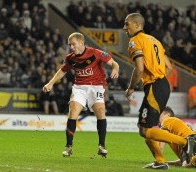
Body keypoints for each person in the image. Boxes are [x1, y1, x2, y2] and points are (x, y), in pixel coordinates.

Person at [123, 13, 194, 169]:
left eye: (127, 24)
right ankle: (160, 161)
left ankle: (185, 141)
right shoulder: (155, 41)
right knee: (144, 128)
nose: (124, 27)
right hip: (162, 85)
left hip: (155, 86)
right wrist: (159, 79)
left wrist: (131, 87)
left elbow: (139, 69)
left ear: (137, 25)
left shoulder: (135, 41)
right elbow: (169, 67)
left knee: (145, 130)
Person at [42, 32, 119, 158]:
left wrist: (116, 69)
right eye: (70, 45)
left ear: (81, 43)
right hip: (79, 88)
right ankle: (68, 146)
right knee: (73, 112)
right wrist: (50, 83)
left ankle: (102, 146)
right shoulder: (70, 58)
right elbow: (62, 71)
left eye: (73, 44)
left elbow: (114, 63)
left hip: (96, 86)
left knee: (100, 111)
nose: (71, 47)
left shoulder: (96, 53)